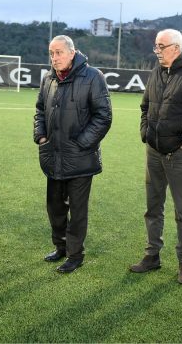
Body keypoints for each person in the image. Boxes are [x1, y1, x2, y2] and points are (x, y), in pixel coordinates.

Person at [130, 29, 182, 285]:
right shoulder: (157, 71)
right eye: (156, 46)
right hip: (154, 152)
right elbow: (145, 106)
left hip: (180, 156)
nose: (157, 51)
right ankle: (152, 256)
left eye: (161, 46)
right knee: (153, 207)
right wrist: (146, 133)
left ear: (176, 48)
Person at [33, 35, 112, 274]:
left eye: (58, 52)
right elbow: (39, 110)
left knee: (77, 211)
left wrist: (81, 144)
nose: (54, 58)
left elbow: (103, 117)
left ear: (72, 52)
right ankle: (61, 247)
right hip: (53, 156)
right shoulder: (48, 79)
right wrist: (41, 136)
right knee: (55, 207)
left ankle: (75, 255)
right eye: (51, 53)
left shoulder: (93, 77)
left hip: (80, 158)